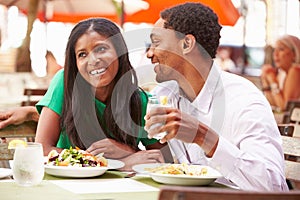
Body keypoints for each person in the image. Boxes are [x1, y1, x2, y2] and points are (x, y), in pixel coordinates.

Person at [144, 2, 288, 191]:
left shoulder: (244, 100)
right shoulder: (164, 95)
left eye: (156, 43)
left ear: (187, 44)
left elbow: (272, 186)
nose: (149, 54)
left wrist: (204, 138)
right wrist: (130, 155)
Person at [27, 18, 167, 171]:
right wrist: (114, 162)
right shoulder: (65, 83)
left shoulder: (139, 101)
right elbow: (42, 150)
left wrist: (126, 150)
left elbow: (162, 158)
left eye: (101, 49)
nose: (93, 60)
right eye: (82, 54)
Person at [261, 35, 300, 111]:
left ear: (294, 54)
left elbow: (285, 107)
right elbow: (273, 103)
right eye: (275, 50)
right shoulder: (283, 73)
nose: (275, 54)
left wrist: (272, 81)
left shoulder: (295, 70)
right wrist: (266, 79)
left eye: (281, 49)